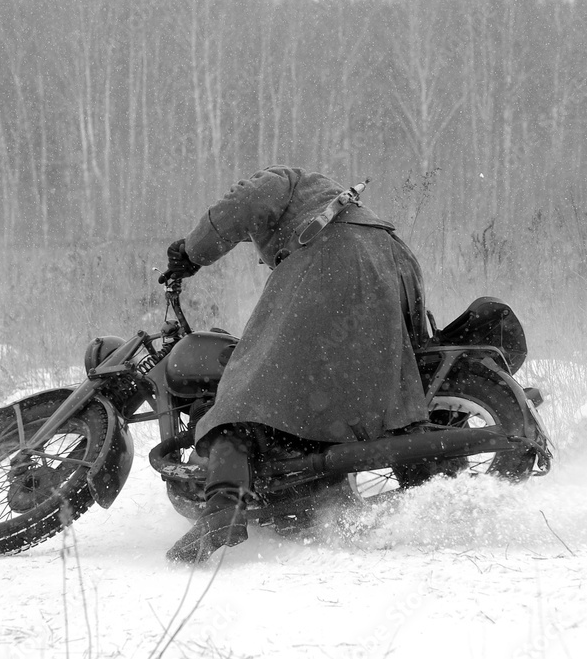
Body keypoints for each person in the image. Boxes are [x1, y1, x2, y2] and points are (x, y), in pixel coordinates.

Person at [160, 165, 431, 563]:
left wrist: (190, 252)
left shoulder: (283, 180)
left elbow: (242, 203)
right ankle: (429, 488)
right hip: (391, 261)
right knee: (386, 391)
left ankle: (223, 507)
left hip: (338, 256)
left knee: (243, 393)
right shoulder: (331, 200)